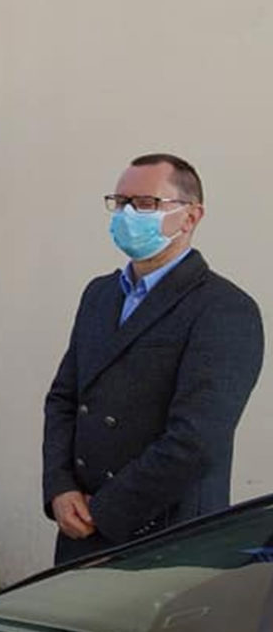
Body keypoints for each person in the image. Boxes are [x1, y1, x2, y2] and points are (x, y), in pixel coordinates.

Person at [43, 153, 263, 565]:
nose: (128, 214)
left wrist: (106, 510)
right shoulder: (99, 295)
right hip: (80, 523)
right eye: (120, 202)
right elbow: (63, 398)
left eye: (145, 204)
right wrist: (60, 488)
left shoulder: (224, 308)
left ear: (190, 217)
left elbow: (197, 439)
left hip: (165, 533)